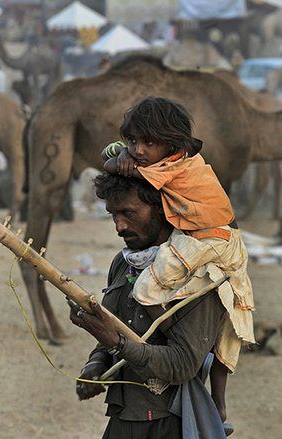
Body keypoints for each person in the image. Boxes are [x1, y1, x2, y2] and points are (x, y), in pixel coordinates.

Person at [101, 96, 255, 424]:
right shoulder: (124, 261)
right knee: (226, 341)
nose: (139, 151)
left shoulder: (171, 168)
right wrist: (100, 355)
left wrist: (120, 160)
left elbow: (182, 364)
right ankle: (219, 407)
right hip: (125, 414)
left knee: (146, 290)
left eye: (148, 142)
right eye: (134, 142)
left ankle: (173, 329)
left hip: (211, 238)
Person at [69, 173, 232, 438]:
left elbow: (182, 364)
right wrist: (96, 364)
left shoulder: (197, 274)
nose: (119, 226)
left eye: (129, 213)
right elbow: (118, 330)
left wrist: (116, 343)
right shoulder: (123, 263)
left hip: (170, 423)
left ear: (161, 208)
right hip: (123, 419)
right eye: (113, 214)